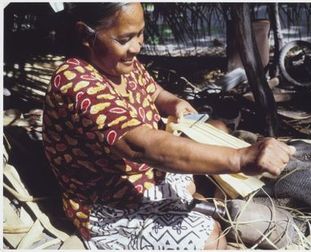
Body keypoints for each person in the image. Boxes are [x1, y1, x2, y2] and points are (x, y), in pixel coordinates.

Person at [43, 3, 296, 250]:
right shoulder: (75, 82)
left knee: (218, 128)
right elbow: (140, 147)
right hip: (113, 202)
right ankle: (199, 212)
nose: (137, 45)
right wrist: (241, 158)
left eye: (140, 33)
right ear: (84, 35)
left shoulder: (121, 63)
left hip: (150, 173)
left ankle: (195, 203)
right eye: (125, 38)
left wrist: (173, 102)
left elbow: (154, 92)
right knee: (211, 240)